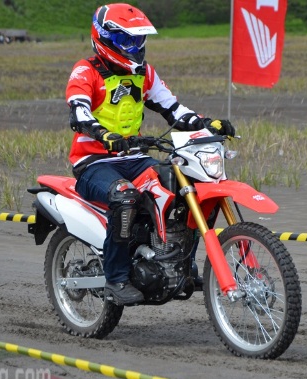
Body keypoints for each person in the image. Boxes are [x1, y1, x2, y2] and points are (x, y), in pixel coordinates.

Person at [66, 3, 235, 305]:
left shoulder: (145, 74)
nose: (134, 47)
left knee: (188, 188)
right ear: (104, 38)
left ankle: (180, 264)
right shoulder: (86, 70)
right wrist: (103, 134)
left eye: (138, 40)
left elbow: (173, 109)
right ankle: (116, 278)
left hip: (134, 158)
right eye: (126, 40)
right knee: (124, 197)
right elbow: (79, 111)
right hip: (93, 162)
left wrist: (206, 123)